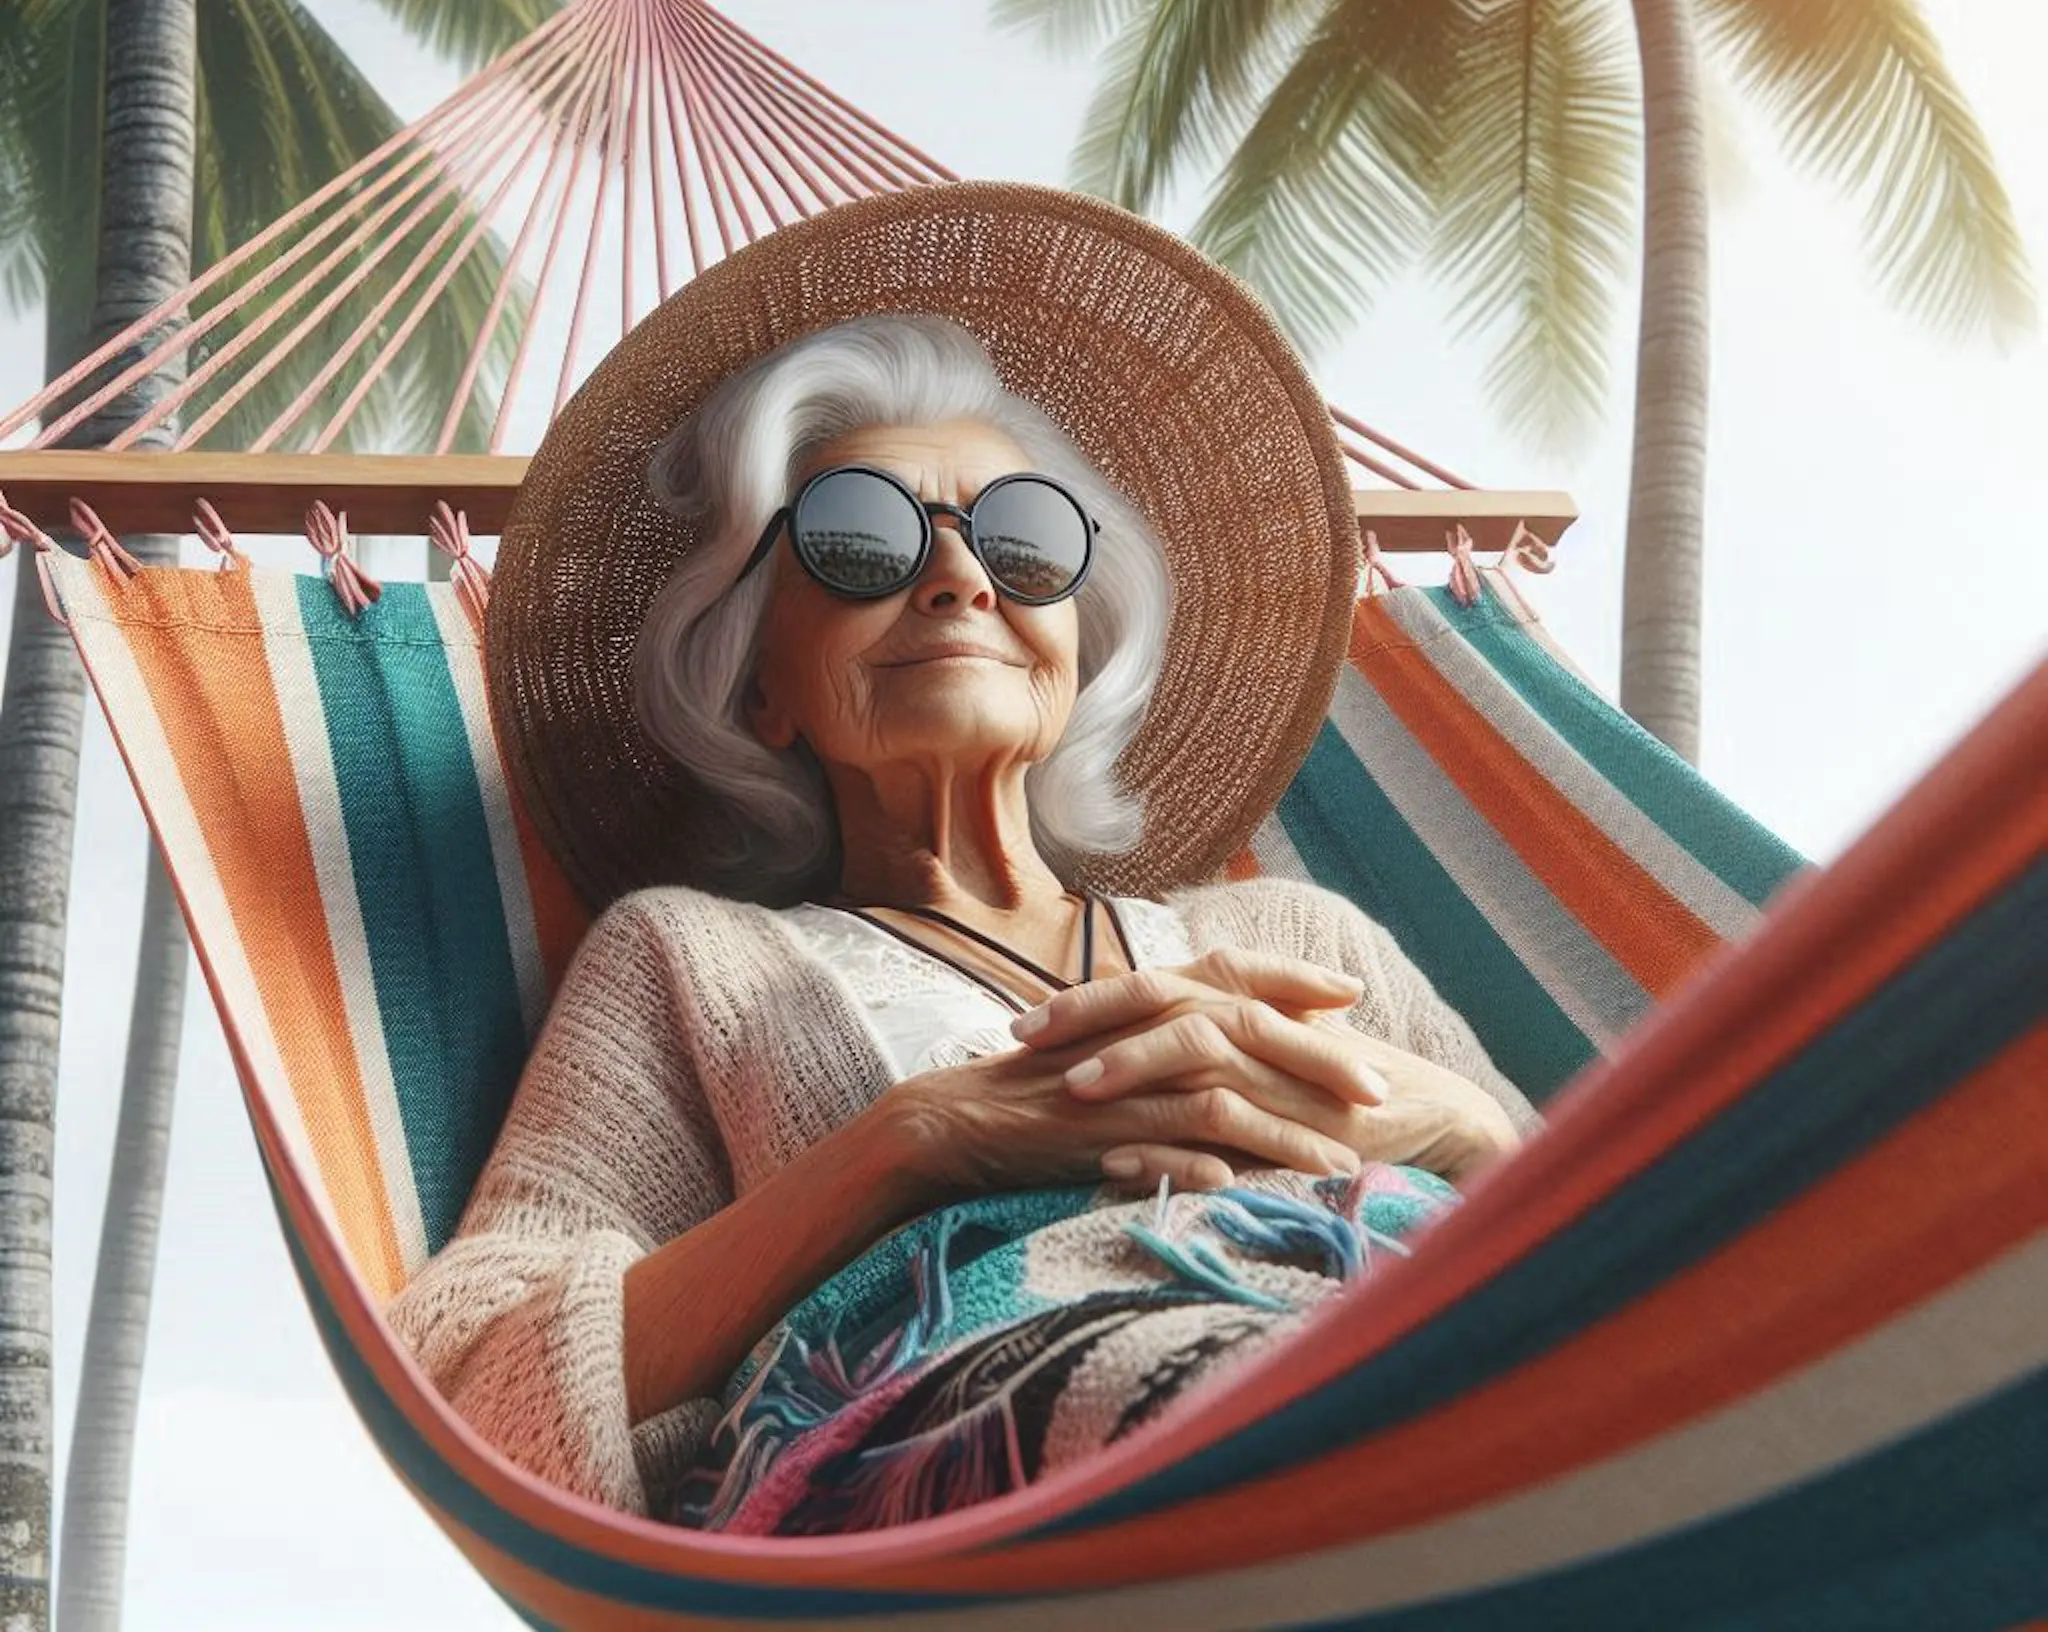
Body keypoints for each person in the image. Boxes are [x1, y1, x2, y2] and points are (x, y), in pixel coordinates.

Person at [388, 184, 1535, 1536]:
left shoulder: (1307, 942)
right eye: (864, 541)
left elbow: (1622, 1244)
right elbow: (469, 1380)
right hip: (996, 1495)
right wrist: (915, 1143)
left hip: (1440, 1403)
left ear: (1074, 649)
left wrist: (1455, 1128)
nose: (960, 579)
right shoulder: (696, 960)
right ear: (762, 682)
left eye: (1022, 542)